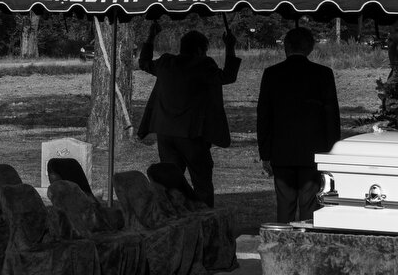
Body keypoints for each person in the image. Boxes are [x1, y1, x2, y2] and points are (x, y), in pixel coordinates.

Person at [135, 20, 240, 207]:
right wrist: (230, 47)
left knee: (169, 183)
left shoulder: (166, 62)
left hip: (166, 133)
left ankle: (172, 217)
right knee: (202, 182)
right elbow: (228, 76)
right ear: (200, 50)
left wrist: (151, 37)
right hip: (192, 134)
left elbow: (143, 63)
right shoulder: (203, 65)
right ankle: (206, 220)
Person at [256, 26, 342, 222]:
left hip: (281, 150)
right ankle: (305, 243)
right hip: (314, 150)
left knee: (284, 205)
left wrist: (265, 153)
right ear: (310, 48)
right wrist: (333, 152)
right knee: (310, 204)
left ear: (286, 46)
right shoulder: (323, 74)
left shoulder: (272, 74)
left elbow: (263, 116)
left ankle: (283, 243)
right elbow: (331, 117)